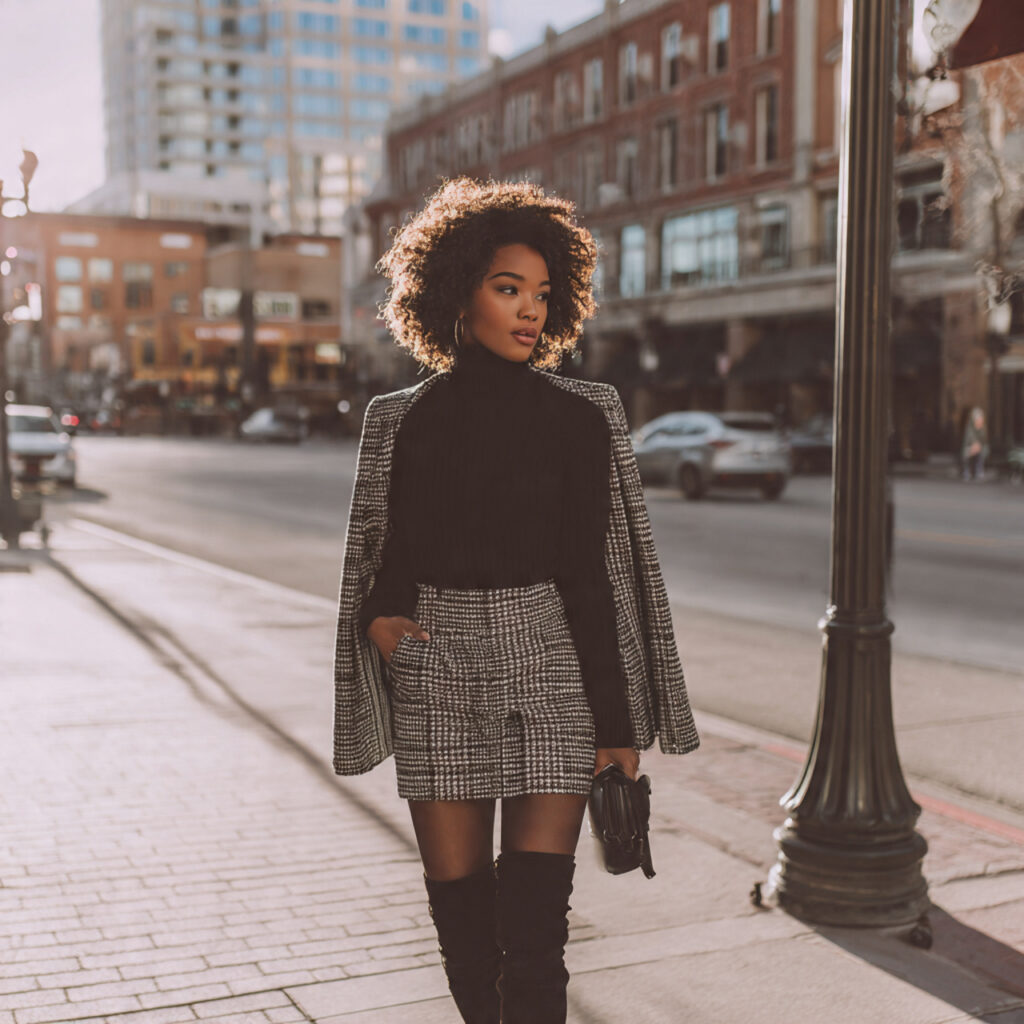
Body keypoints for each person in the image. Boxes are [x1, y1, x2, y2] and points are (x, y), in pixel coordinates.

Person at [332, 178, 699, 1023]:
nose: (529, 311)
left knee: (535, 939)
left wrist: (615, 730)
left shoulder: (584, 415)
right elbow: (385, 558)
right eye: (508, 289)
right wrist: (384, 626)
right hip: (438, 667)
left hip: (552, 667)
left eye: (542, 294)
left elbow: (593, 577)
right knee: (464, 931)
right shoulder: (400, 419)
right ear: (456, 293)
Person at [962, 407, 989, 481]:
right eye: (978, 419)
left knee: (984, 450)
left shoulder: (983, 428)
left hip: (980, 447)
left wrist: (978, 445)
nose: (979, 420)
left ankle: (979, 470)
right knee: (967, 452)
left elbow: (984, 441)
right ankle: (967, 471)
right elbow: (969, 439)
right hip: (970, 447)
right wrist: (974, 446)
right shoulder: (969, 428)